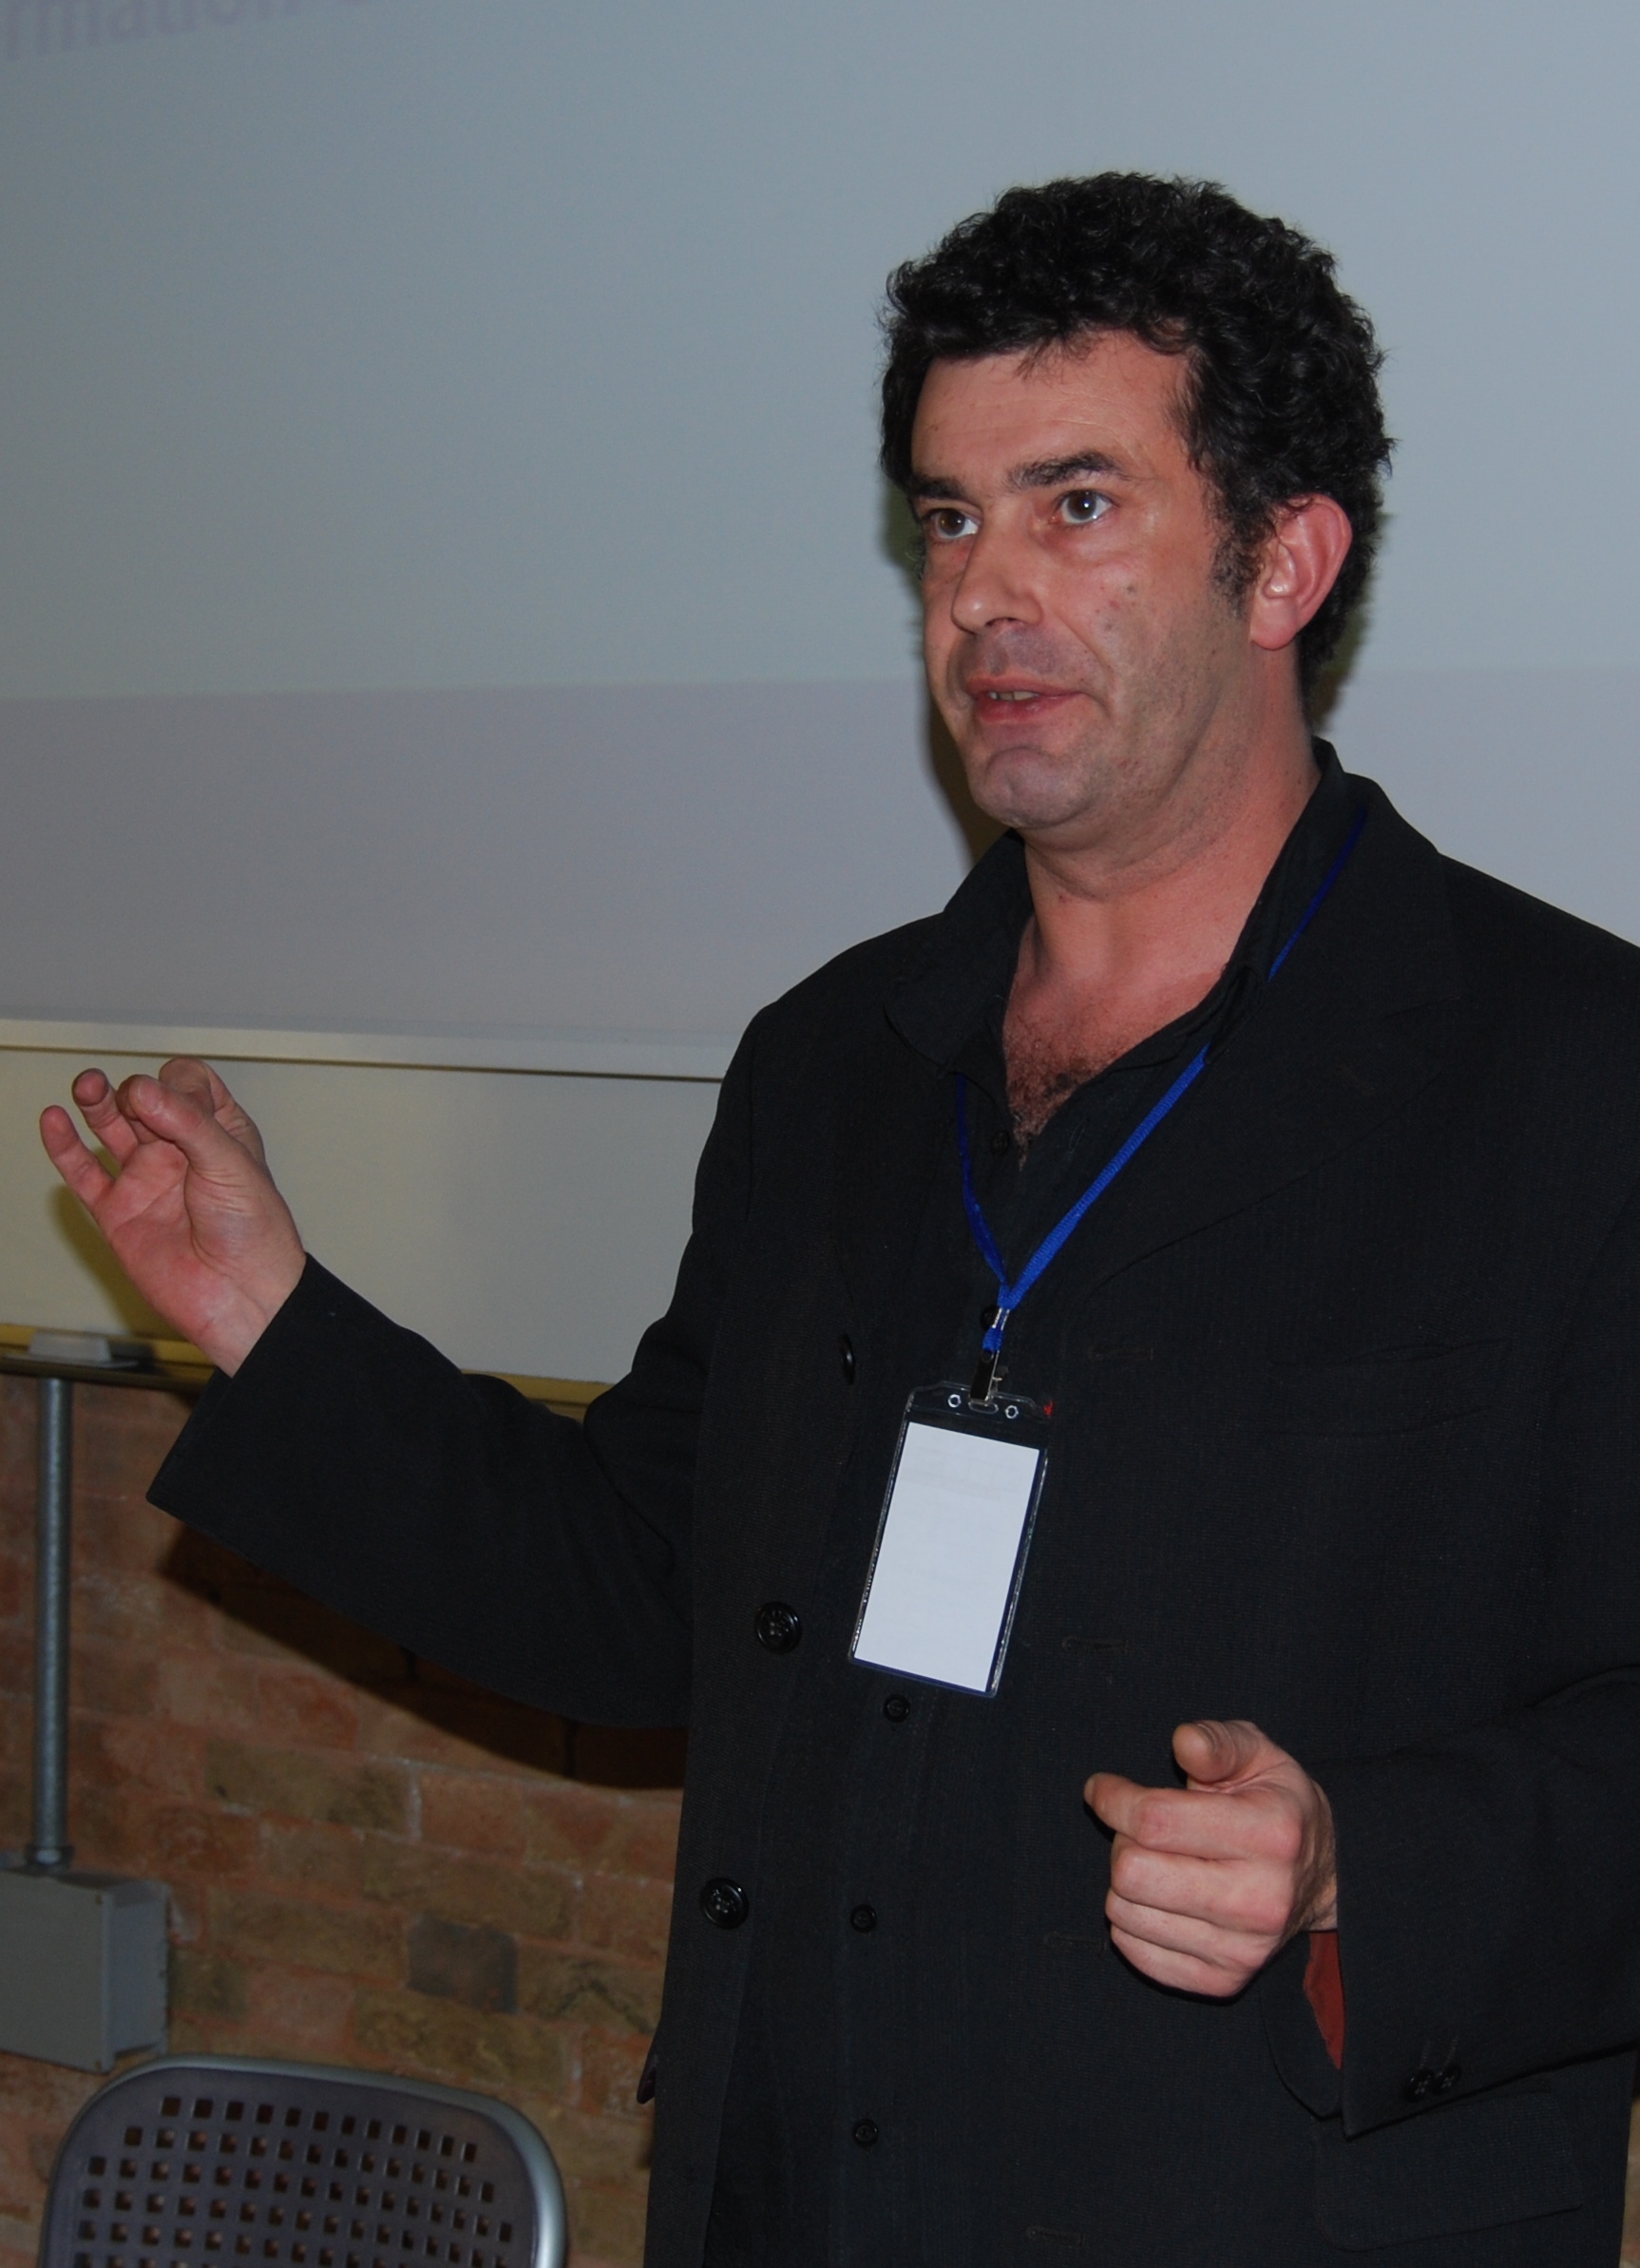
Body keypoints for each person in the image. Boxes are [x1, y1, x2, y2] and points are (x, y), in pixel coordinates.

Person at [40, 174, 1640, 2267]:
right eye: (947, 519)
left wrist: (1358, 1860)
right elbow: (649, 1590)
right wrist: (273, 1318)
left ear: (1284, 559)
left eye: (1075, 505)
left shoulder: (1566, 1079)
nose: (984, 595)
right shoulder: (834, 1063)